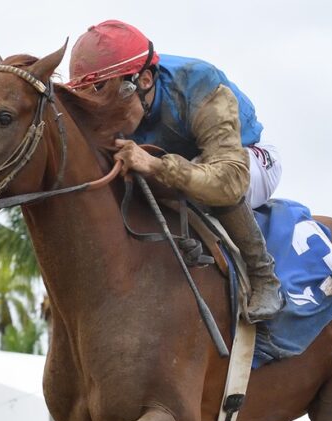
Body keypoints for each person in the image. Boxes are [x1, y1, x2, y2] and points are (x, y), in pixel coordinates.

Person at [68, 20, 283, 322]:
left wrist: (156, 165)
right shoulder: (128, 88)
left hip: (248, 161)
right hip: (188, 168)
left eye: (112, 100)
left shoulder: (200, 84)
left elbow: (229, 181)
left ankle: (264, 277)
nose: (105, 118)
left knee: (200, 182)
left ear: (143, 80)